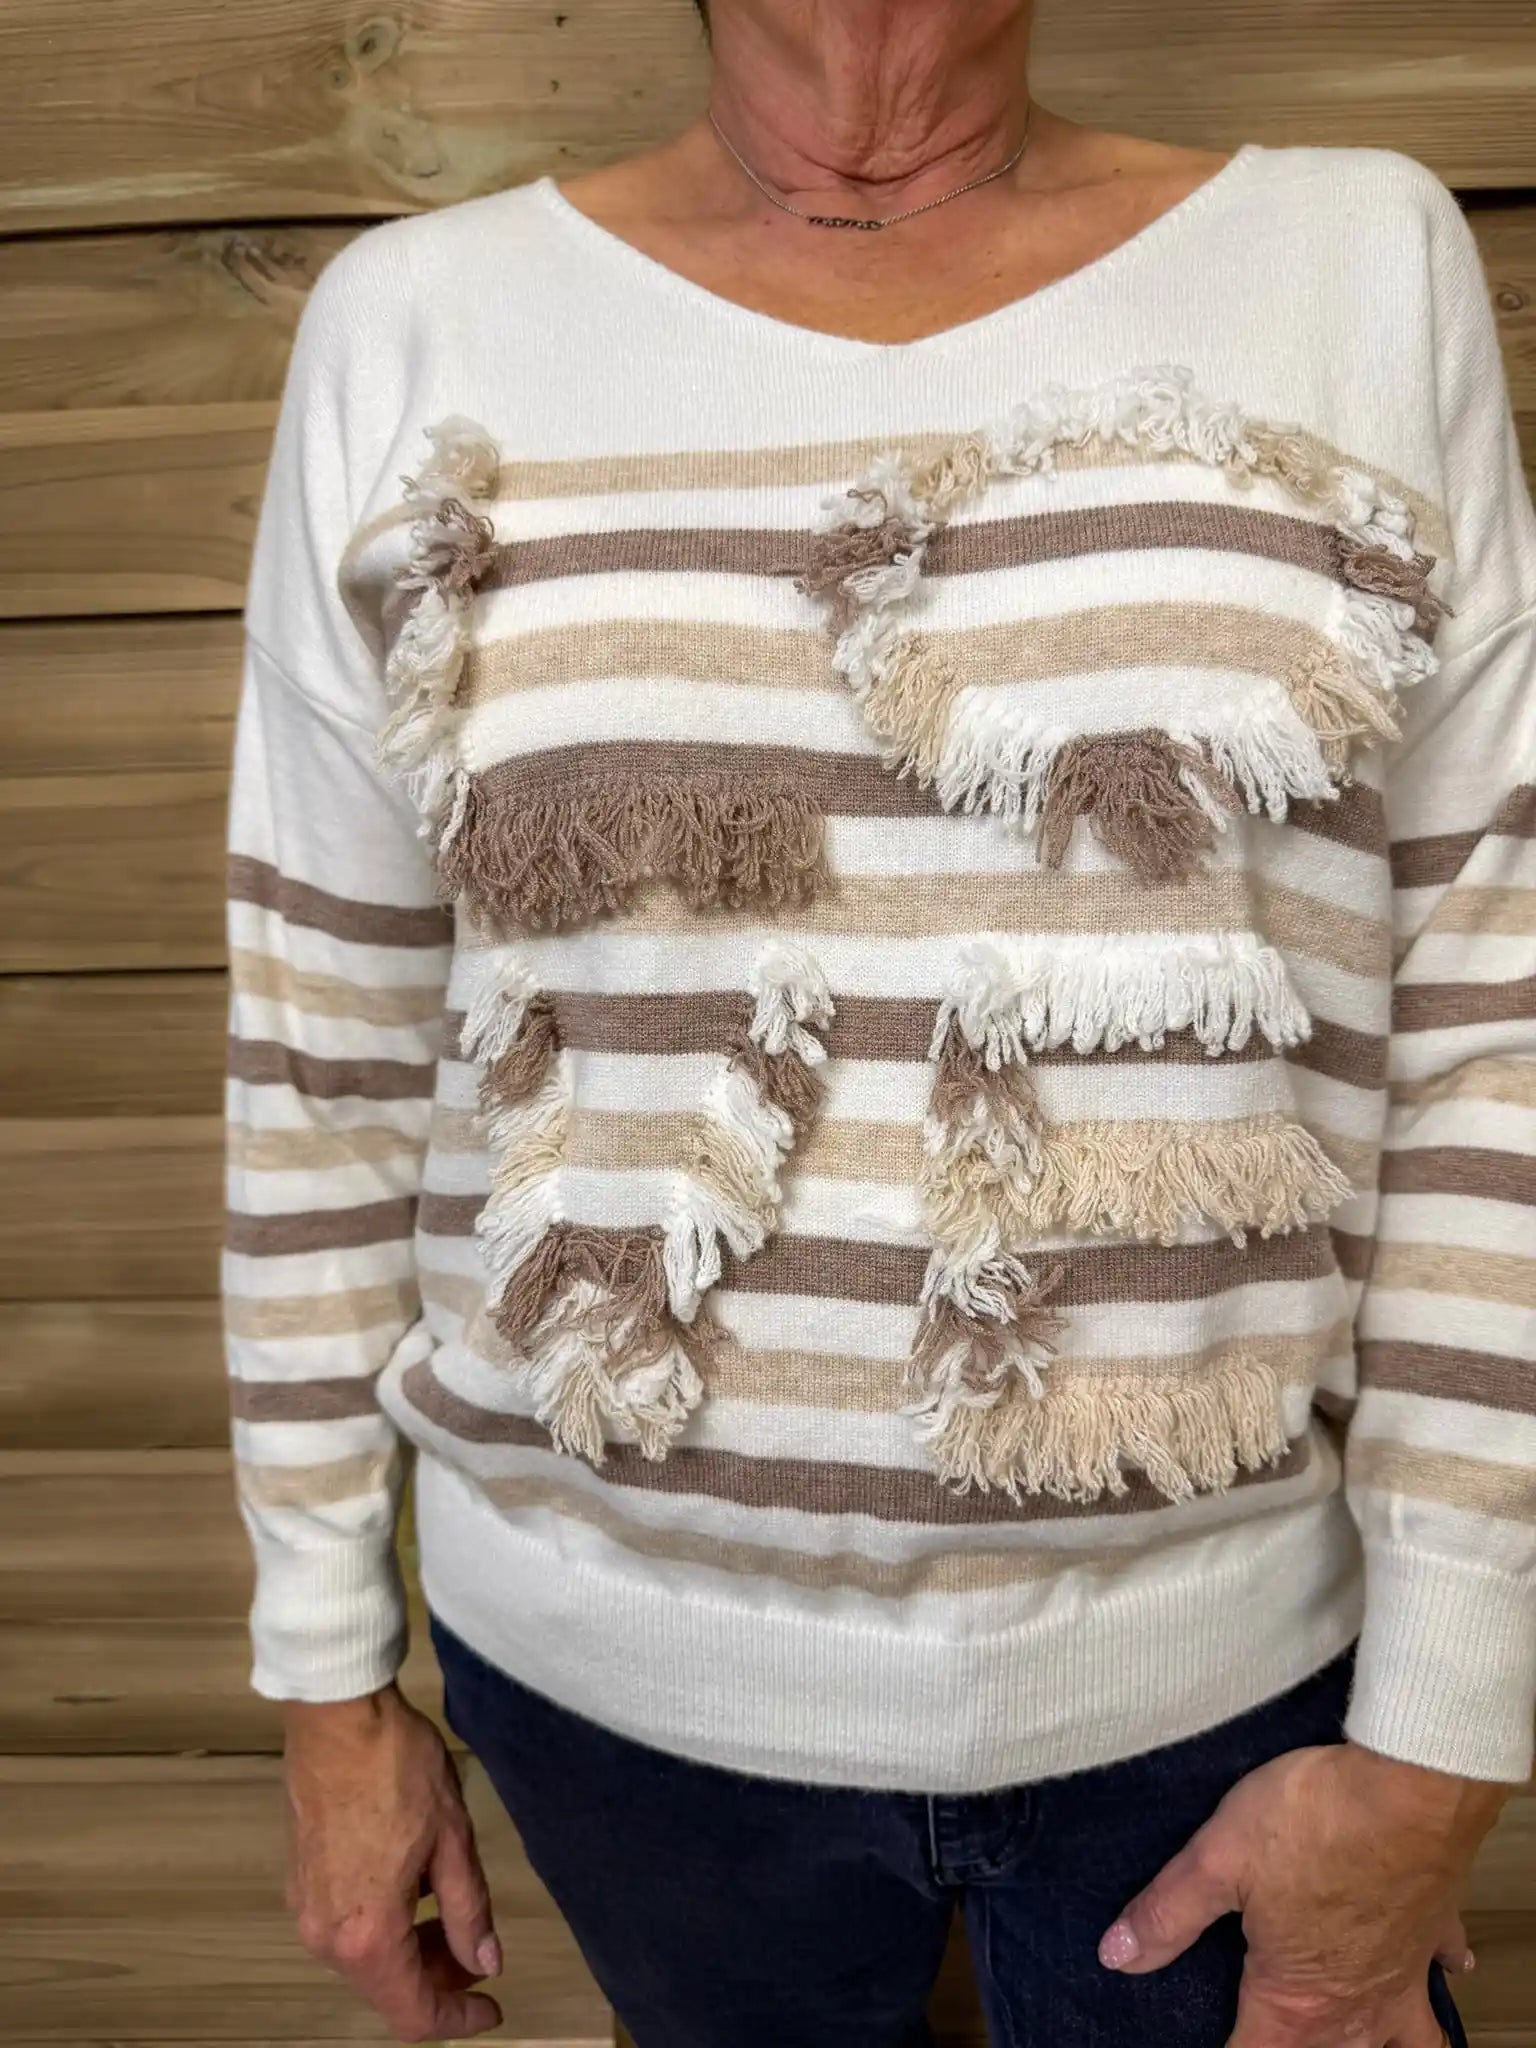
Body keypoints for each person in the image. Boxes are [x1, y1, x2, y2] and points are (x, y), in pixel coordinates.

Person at [222, 2, 1536, 2042]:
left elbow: (1489, 1024)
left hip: (1226, 1686)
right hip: (613, 1708)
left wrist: (1446, 1734)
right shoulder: (415, 327)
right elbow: (329, 1046)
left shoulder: (1351, 265)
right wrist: (327, 1680)